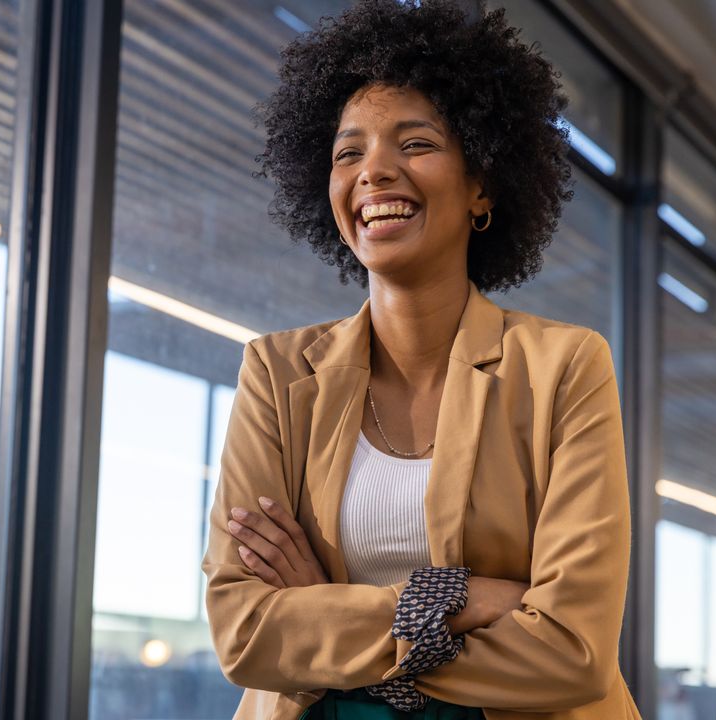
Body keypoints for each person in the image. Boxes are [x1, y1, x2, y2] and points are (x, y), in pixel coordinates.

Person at [200, 1, 644, 719]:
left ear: (481, 186)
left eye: (415, 144)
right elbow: (245, 633)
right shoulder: (278, 375)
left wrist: (321, 613)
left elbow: (573, 652)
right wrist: (459, 598)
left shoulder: (563, 367)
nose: (374, 171)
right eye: (349, 152)